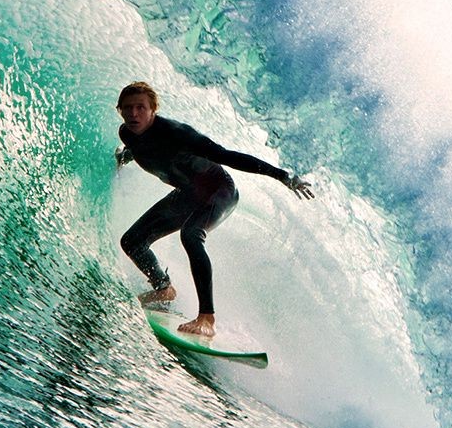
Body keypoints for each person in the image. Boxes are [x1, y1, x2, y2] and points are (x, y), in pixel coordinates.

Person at [113, 81, 313, 338]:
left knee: (191, 234)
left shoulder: (178, 133)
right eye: (127, 108)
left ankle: (207, 318)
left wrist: (283, 176)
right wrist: (123, 159)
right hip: (188, 194)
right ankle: (163, 289)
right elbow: (143, 149)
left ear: (154, 109)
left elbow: (227, 155)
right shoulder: (128, 134)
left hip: (219, 190)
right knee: (133, 241)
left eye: (140, 107)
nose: (133, 114)